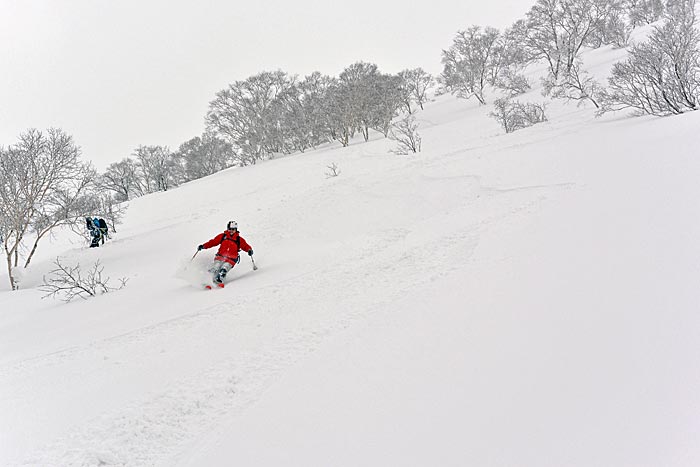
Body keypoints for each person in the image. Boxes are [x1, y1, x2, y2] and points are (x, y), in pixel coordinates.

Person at [198, 220, 253, 287]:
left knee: (224, 268)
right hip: (220, 257)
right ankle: (206, 280)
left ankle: (218, 280)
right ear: (227, 229)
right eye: (230, 229)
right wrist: (204, 246)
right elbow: (213, 242)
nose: (231, 231)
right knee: (216, 267)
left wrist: (249, 250)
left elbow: (245, 246)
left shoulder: (239, 239)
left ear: (236, 229)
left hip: (231, 260)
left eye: (233, 229)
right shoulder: (223, 236)